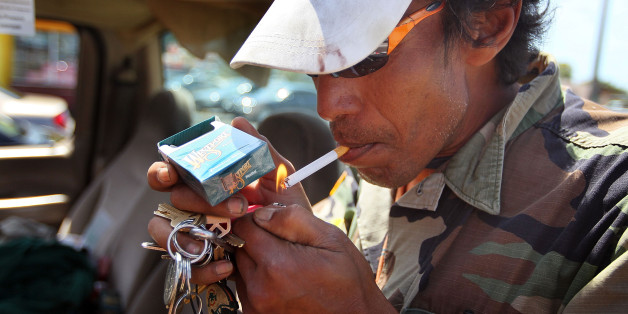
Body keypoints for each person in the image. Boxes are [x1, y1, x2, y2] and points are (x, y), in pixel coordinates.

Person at [147, 0, 628, 312]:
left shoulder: (610, 207)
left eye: (366, 56)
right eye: (314, 63)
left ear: (486, 23)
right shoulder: (375, 171)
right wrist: (249, 252)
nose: (328, 106)